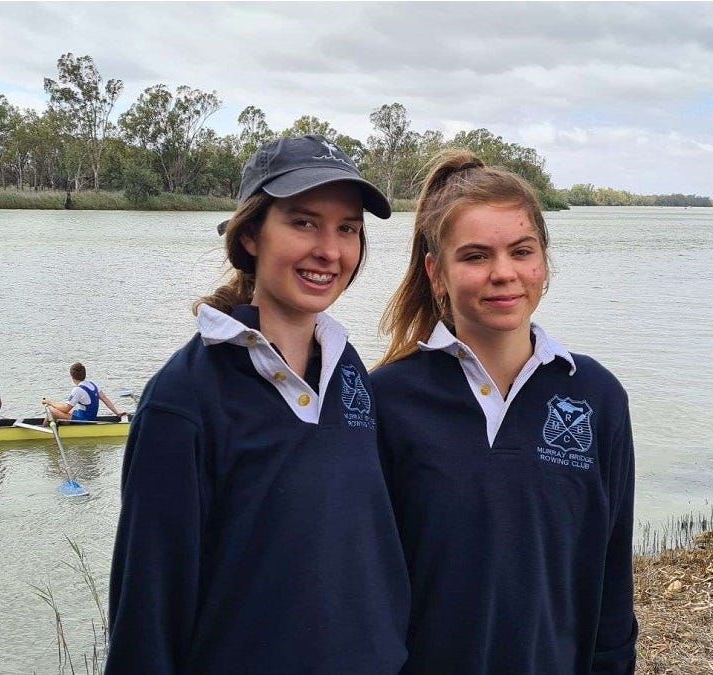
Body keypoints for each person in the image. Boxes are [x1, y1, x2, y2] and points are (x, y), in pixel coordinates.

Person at [105, 135, 408, 674]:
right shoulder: (183, 399)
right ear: (250, 235)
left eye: (348, 229)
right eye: (303, 222)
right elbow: (147, 609)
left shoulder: (350, 371)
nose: (330, 250)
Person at [372, 150, 638, 673]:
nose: (503, 273)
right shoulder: (387, 401)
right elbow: (366, 582)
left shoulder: (597, 396)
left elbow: (611, 573)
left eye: (521, 251)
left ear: (544, 262)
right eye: (474, 256)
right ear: (436, 272)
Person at [41, 362, 127, 421]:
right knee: (60, 410)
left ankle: (44, 432)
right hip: (86, 417)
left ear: (71, 376)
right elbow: (105, 399)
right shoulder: (93, 384)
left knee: (51, 410)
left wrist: (49, 402)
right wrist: (117, 412)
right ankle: (58, 425)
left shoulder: (78, 390)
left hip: (84, 421)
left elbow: (65, 409)